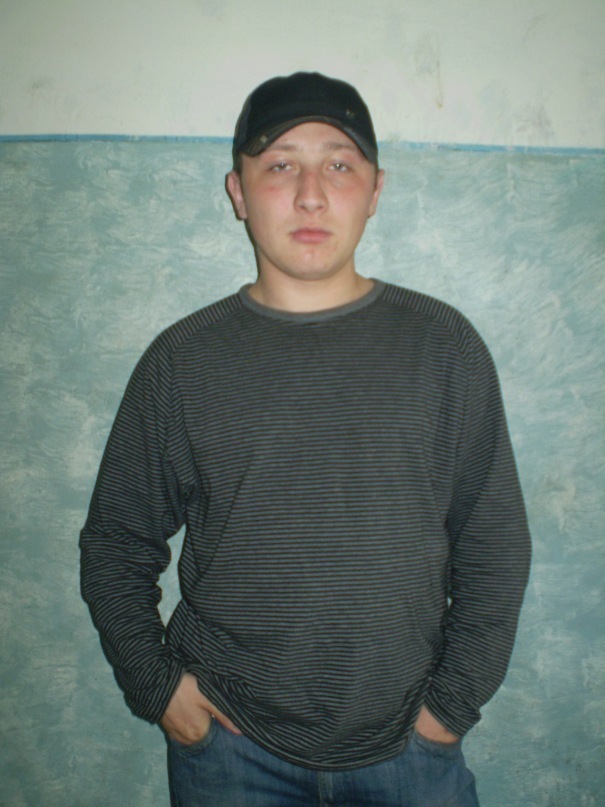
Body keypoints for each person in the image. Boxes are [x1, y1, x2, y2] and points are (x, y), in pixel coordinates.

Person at [80, 72, 531, 807]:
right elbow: (115, 542)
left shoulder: (443, 347)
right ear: (238, 191)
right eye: (281, 164)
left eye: (339, 164)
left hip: (410, 750)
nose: (311, 194)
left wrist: (449, 708)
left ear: (375, 190)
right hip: (230, 753)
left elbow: (494, 543)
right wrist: (158, 689)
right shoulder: (182, 362)